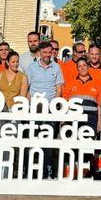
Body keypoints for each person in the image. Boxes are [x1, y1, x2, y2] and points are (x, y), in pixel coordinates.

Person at [25, 41, 63, 178]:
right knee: (33, 140)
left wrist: (55, 106)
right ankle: (30, 171)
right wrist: (28, 107)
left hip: (50, 110)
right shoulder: (31, 68)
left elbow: (59, 89)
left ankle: (47, 171)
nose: (47, 55)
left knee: (48, 142)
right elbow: (27, 89)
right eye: (45, 52)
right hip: (34, 109)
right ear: (40, 53)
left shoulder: (57, 68)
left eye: (49, 52)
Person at [63, 58, 101, 177]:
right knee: (73, 146)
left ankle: (86, 172)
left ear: (88, 66)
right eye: (80, 66)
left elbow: (99, 104)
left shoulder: (96, 83)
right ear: (77, 68)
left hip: (91, 120)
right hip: (74, 120)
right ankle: (73, 172)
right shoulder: (70, 82)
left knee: (87, 146)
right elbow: (65, 102)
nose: (82, 68)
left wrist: (99, 121)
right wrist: (64, 120)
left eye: (84, 65)